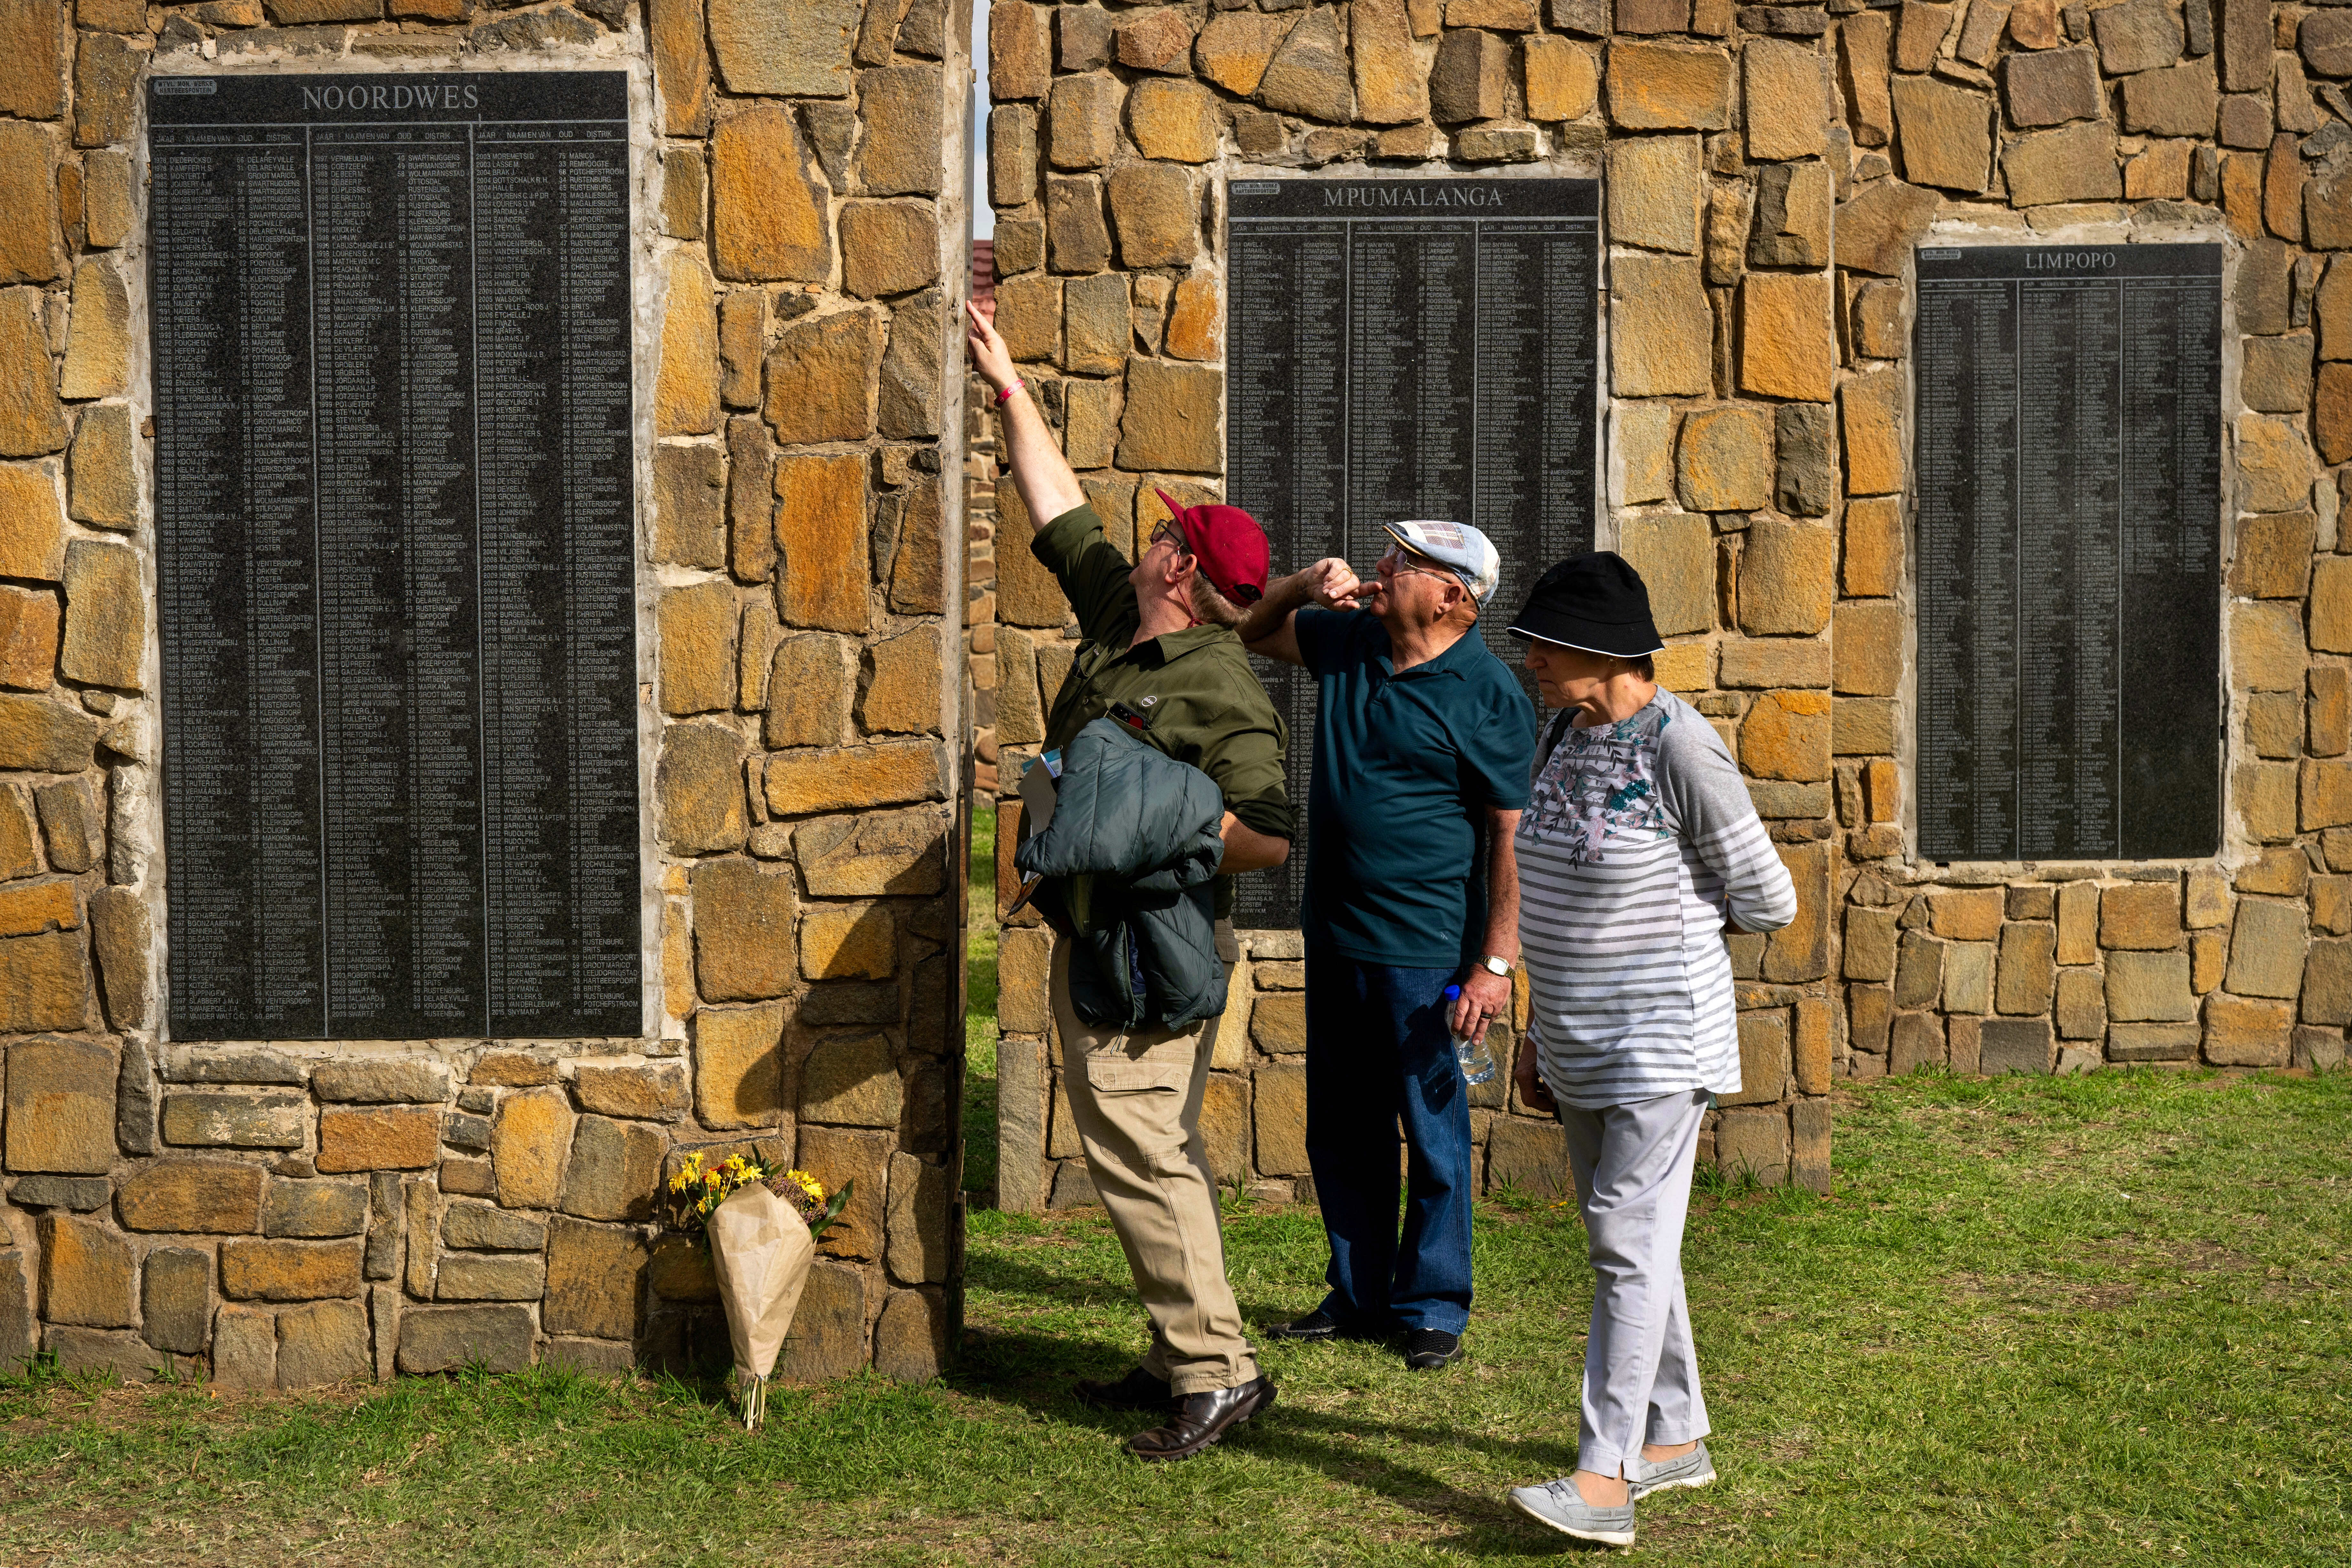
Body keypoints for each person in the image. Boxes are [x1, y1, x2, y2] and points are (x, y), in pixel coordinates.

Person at [964, 301, 1294, 1461]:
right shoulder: (1120, 619)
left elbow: (1268, 831)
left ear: (1180, 567)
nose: (1146, 536)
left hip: (1152, 947)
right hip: (1098, 938)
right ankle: (1176, 1352)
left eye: (1165, 533)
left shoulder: (1218, 684)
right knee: (1153, 1147)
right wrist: (1006, 385)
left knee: (1140, 1148)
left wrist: (1166, 831)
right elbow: (1059, 510)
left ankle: (1216, 1373)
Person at [1496, 553, 1798, 1548]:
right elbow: (1553, 897)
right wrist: (1540, 1030)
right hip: (1579, 1041)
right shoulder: (1562, 733)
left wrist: (1673, 925)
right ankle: (1674, 1437)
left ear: (1603, 651)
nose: (1529, 658)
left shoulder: (1681, 748)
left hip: (1661, 1042)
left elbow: (1767, 899)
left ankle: (1604, 1477)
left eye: (1544, 642)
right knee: (1632, 1245)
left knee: (1625, 1248)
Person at [1235, 521, 1533, 1373]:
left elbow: (1509, 836)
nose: (1382, 568)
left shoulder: (1487, 693)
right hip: (1335, 934)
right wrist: (1301, 583)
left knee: (1430, 1130)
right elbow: (1251, 630)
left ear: (1453, 598)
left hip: (1428, 949)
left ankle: (1433, 1304)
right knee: (1342, 1126)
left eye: (1405, 562)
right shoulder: (1351, 642)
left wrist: (1495, 963)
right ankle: (1358, 1293)